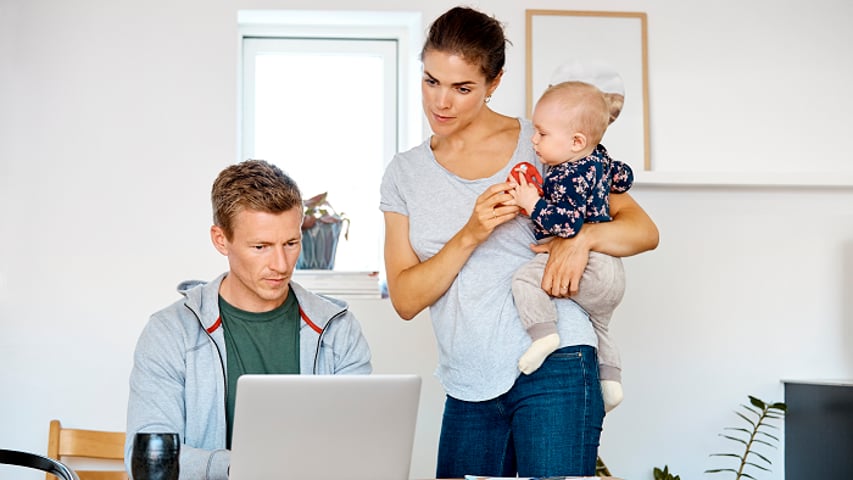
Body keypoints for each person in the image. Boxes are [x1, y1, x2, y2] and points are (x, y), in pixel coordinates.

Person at [380, 6, 658, 478]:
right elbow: (406, 299)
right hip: (468, 379)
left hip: (558, 361)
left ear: (494, 82)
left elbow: (643, 230)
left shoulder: (544, 139)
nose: (441, 102)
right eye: (431, 81)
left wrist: (583, 238)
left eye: (463, 88)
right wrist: (471, 233)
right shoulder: (405, 174)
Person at [125, 159, 372, 479]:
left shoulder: (338, 329)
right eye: (261, 247)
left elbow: (361, 447)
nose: (281, 264)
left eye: (291, 243)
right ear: (221, 240)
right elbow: (149, 459)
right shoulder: (170, 333)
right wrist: (244, 467)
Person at [510, 80, 634, 414]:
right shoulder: (598, 158)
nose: (534, 140)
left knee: (524, 279)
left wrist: (532, 202)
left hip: (585, 264)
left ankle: (544, 335)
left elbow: (566, 224)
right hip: (611, 269)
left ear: (576, 141)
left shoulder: (567, 173)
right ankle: (612, 382)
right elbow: (625, 177)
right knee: (600, 325)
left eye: (542, 134)